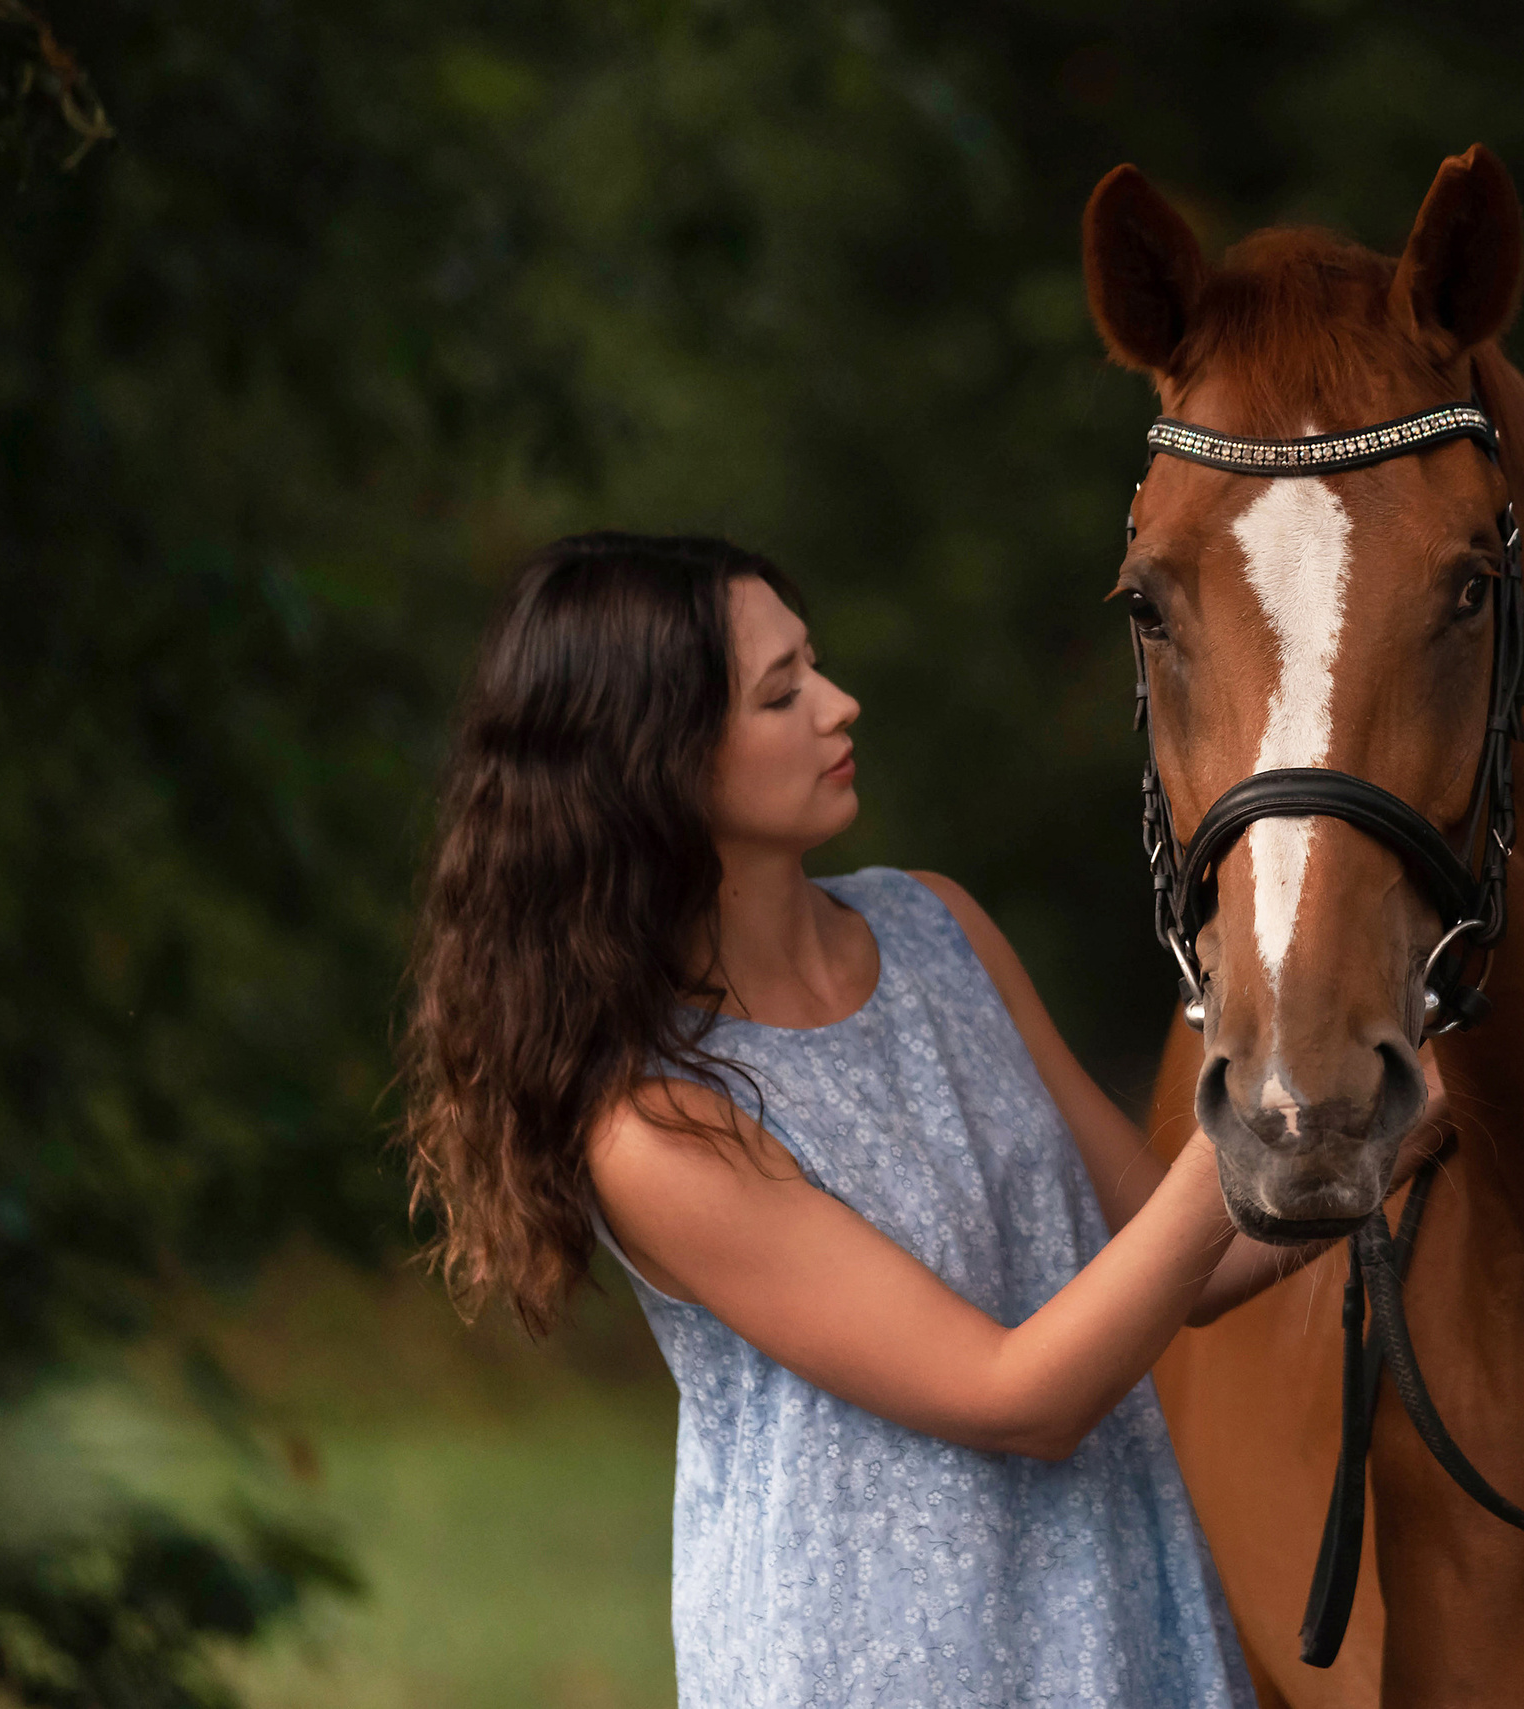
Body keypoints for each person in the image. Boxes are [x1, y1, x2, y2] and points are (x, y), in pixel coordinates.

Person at [395, 532, 1446, 1709]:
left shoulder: (933, 924)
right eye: (782, 692)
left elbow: (1179, 1257)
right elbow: (1018, 1396)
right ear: (656, 762)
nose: (840, 706)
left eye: (818, 668)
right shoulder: (655, 1125)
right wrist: (1267, 1078)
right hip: (878, 1663)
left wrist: (1391, 1119)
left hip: (1113, 1616)